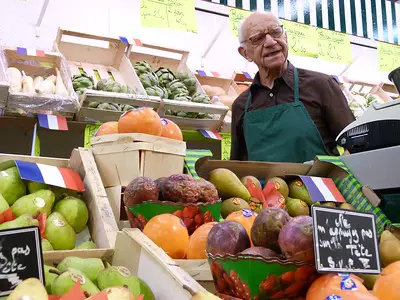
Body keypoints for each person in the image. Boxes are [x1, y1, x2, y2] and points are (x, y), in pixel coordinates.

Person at [230, 12, 355, 163]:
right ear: (245, 53)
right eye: (258, 38)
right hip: (265, 187)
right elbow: (238, 166)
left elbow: (355, 145)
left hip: (318, 186)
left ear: (286, 37)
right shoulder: (240, 106)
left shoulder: (321, 86)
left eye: (276, 32)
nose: (270, 42)